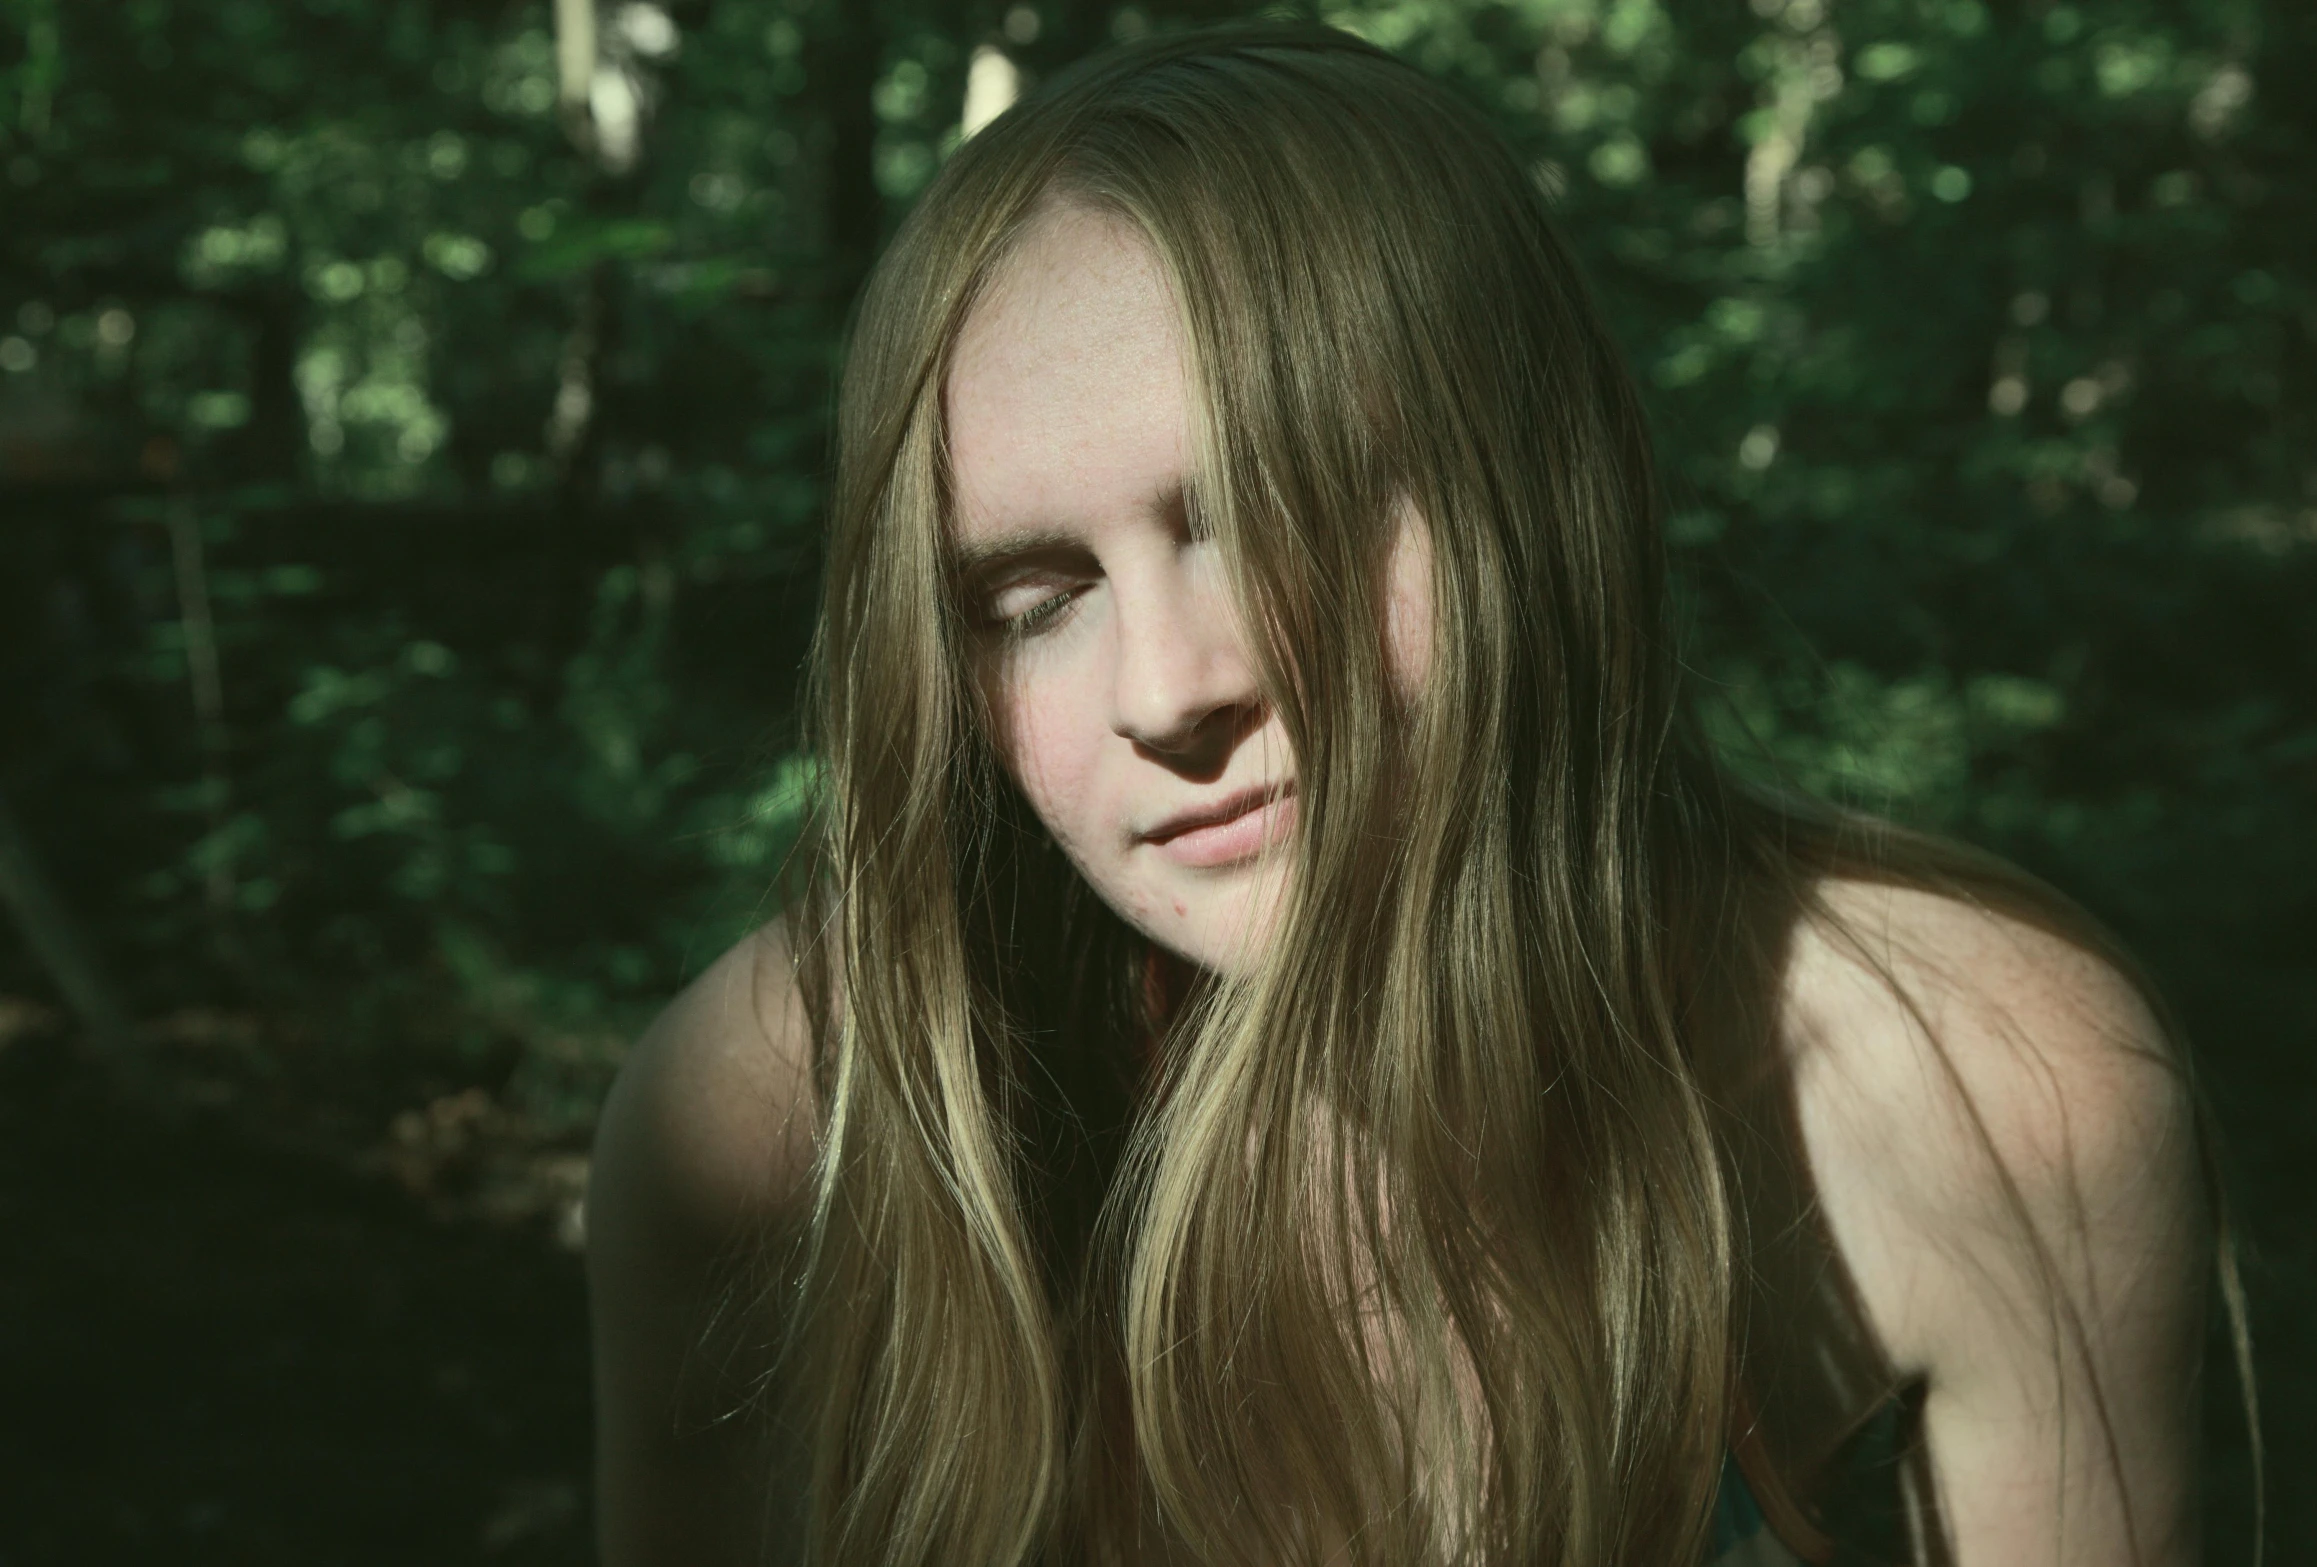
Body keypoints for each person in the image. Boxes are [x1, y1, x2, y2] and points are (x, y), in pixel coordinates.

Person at [586, 24, 2232, 1567]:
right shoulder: (798, 1116)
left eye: (1268, 515)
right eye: (1033, 601)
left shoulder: (1978, 1090)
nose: (1167, 690)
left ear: (1536, 481)